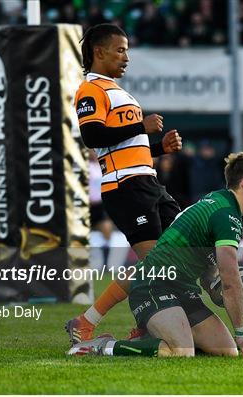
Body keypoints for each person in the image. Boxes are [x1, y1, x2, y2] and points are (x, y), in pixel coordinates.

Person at [67, 152, 243, 358]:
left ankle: (149, 338)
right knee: (182, 352)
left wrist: (230, 299)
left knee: (227, 351)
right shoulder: (226, 215)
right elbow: (230, 281)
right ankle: (104, 346)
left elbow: (212, 278)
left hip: (183, 290)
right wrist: (240, 332)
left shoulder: (220, 202)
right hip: (154, 287)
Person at [66, 24, 183, 345]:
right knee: (157, 265)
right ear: (99, 52)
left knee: (177, 256)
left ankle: (129, 324)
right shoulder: (91, 90)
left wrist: (160, 149)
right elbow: (93, 137)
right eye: (120, 50)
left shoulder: (119, 91)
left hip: (148, 183)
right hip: (125, 188)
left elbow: (126, 145)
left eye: (127, 50)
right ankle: (91, 323)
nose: (126, 57)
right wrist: (140, 125)